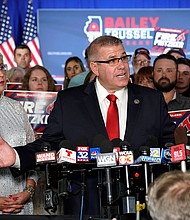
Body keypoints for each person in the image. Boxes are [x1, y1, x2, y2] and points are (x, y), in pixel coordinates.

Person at [0, 36, 176, 217]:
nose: (122, 65)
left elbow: (171, 147)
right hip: (86, 205)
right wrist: (15, 156)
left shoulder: (152, 100)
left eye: (124, 58)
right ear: (94, 67)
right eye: (112, 60)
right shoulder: (69, 101)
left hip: (142, 205)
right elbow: (49, 145)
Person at [0, 53, 38, 215]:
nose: (1, 74)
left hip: (21, 207)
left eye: (1, 67)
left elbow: (32, 156)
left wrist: (28, 191)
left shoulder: (16, 108)